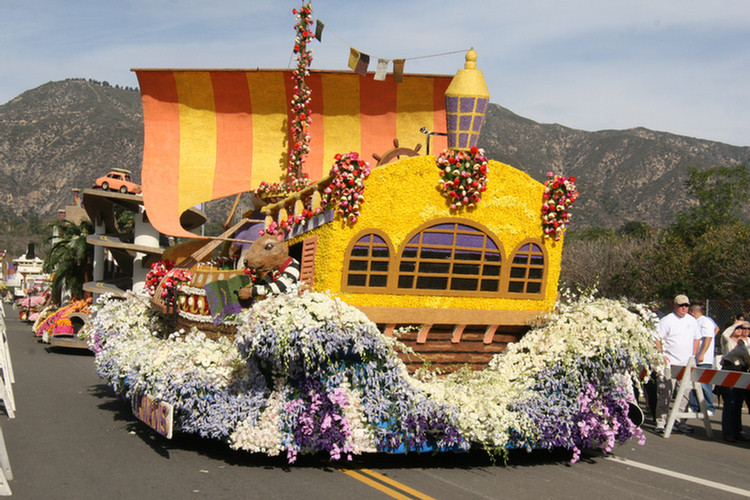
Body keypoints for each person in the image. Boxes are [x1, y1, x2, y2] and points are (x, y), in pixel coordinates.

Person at [653, 294, 700, 434]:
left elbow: (697, 339)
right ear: (675, 306)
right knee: (665, 393)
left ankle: (679, 421)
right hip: (670, 363)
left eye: (686, 305)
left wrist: (693, 357)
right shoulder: (667, 321)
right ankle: (661, 422)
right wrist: (661, 355)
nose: (684, 308)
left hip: (687, 364)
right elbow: (656, 338)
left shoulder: (692, 321)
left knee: (685, 393)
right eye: (681, 305)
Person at [719, 321, 750, 442]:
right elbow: (725, 334)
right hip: (730, 370)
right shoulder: (727, 341)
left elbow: (747, 358)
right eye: (739, 328)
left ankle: (737, 431)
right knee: (729, 402)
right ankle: (728, 433)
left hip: (741, 371)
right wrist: (736, 323)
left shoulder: (742, 344)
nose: (741, 330)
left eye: (744, 328)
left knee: (738, 403)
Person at [688, 304, 718, 414]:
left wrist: (702, 354)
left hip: (704, 359)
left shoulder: (705, 322)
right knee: (694, 384)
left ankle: (709, 407)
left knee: (705, 384)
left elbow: (708, 338)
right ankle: (694, 406)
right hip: (695, 359)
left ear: (692, 312)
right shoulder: (696, 322)